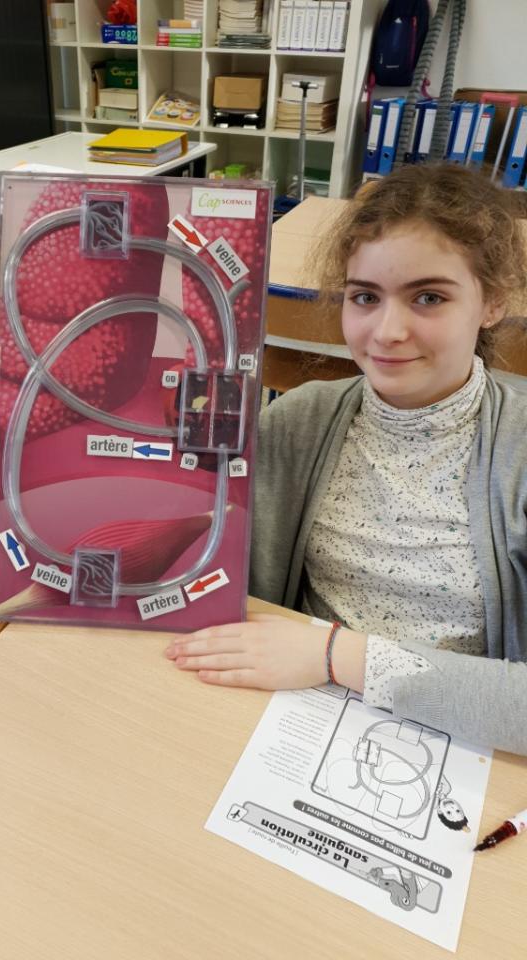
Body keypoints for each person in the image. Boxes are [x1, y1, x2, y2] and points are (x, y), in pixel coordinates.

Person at [166, 163, 527, 755]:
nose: (387, 331)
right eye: (365, 297)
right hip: (289, 718)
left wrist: (336, 655)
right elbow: (196, 561)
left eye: (429, 297)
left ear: (493, 301)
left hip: (461, 736)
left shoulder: (518, 452)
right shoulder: (299, 421)